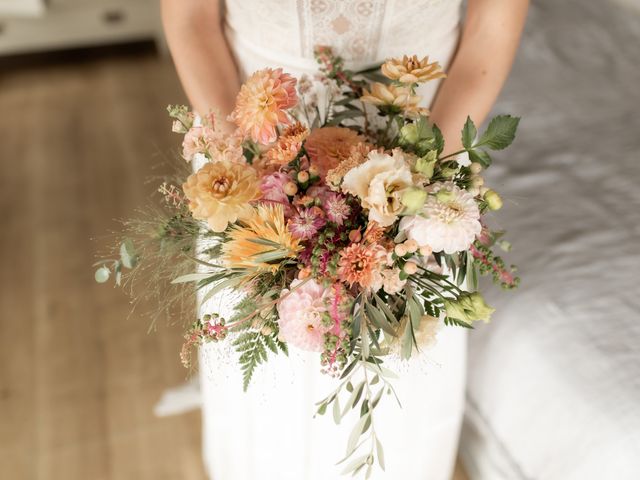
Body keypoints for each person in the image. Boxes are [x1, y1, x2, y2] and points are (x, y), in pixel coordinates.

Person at [161, 1, 528, 479]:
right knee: (267, 392)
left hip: (419, 167)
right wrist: (251, 175)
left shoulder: (421, 184)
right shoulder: (249, 170)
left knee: (400, 386)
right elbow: (191, 19)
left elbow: (491, 27)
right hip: (252, 163)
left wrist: (419, 185)